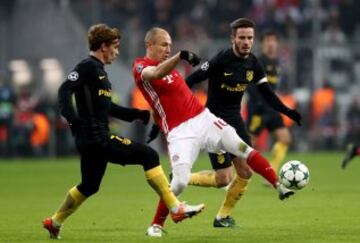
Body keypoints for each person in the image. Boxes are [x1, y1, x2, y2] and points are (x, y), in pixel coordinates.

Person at [132, 25, 300, 237]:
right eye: (164, 45)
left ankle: (278, 185)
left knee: (243, 149)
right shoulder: (140, 66)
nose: (168, 49)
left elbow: (167, 99)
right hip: (180, 132)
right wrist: (180, 55)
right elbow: (155, 73)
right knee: (180, 183)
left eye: (170, 45)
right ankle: (156, 225)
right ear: (149, 45)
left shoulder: (172, 71)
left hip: (204, 118)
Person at [42, 24, 204, 240]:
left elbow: (108, 108)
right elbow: (64, 90)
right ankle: (175, 208)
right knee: (149, 155)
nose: (117, 52)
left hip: (91, 139)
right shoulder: (87, 67)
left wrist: (140, 115)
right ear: (103, 47)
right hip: (96, 137)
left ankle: (54, 222)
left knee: (89, 186)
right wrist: (73, 121)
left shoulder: (99, 72)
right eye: (115, 48)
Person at [184, 19, 302, 229]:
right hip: (213, 124)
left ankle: (222, 218)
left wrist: (288, 111)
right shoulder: (221, 59)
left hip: (236, 122)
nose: (246, 42)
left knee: (246, 173)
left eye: (250, 38)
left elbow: (268, 94)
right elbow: (190, 80)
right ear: (233, 39)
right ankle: (181, 177)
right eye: (242, 38)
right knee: (223, 179)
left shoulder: (253, 64)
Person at [246, 30, 292, 174]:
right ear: (263, 44)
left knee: (285, 138)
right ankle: (237, 171)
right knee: (248, 144)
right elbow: (249, 84)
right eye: (267, 40)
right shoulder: (257, 61)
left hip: (271, 108)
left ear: (277, 44)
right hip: (258, 108)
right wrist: (258, 103)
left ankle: (271, 170)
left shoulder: (277, 63)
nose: (270, 43)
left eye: (273, 40)